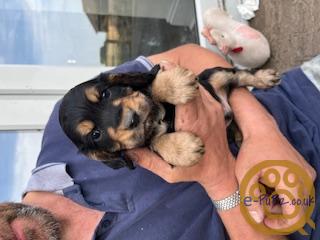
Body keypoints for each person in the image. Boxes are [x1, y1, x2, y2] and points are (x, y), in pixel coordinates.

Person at [0, 44, 319, 240]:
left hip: (303, 99)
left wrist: (262, 131)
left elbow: (186, 57)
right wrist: (219, 177)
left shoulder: (64, 128)